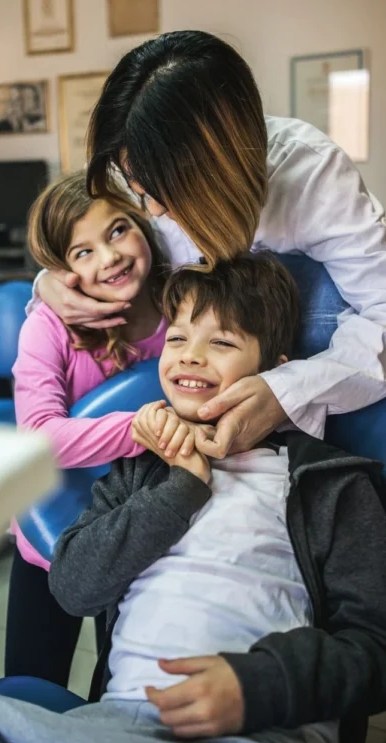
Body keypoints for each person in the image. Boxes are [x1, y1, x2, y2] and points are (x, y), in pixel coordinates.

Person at [0, 255, 386, 743]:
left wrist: (258, 686)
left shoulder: (330, 483)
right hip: (107, 729)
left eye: (222, 342)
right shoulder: (140, 471)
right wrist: (181, 489)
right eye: (177, 339)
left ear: (276, 371)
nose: (190, 358)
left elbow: (374, 646)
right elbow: (74, 588)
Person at [32, 29, 386, 459]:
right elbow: (91, 246)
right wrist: (48, 284)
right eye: (137, 188)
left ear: (223, 166)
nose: (154, 211)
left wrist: (286, 392)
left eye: (165, 191)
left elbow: (382, 310)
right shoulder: (137, 171)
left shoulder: (312, 175)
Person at [6, 171, 178, 687]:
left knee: (119, 680)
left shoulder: (187, 308)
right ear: (61, 271)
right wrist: (148, 427)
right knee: (29, 687)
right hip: (52, 531)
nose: (110, 257)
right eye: (82, 252)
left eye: (118, 230)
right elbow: (39, 437)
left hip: (139, 533)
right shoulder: (49, 326)